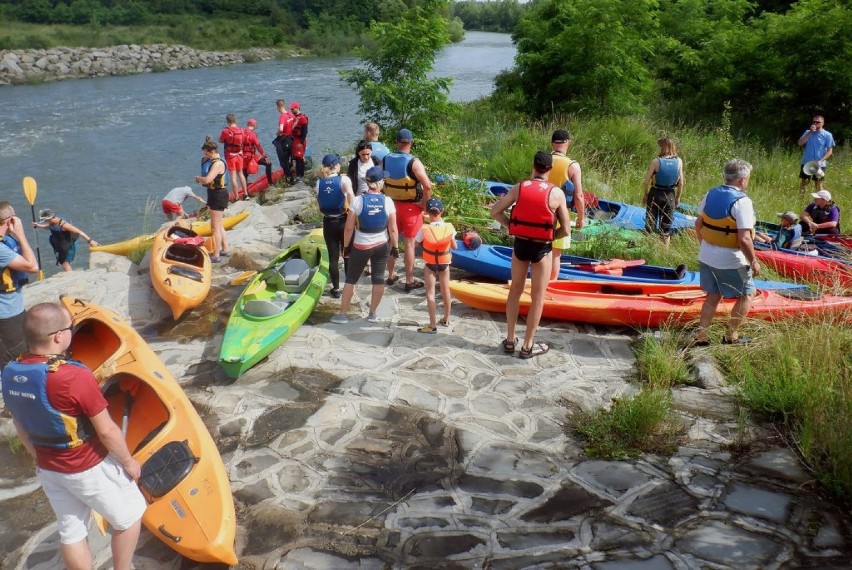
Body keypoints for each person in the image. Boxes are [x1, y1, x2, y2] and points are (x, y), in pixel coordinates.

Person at [1, 302, 146, 570]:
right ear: (58, 336)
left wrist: (39, 456)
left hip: (49, 468)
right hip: (87, 466)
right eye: (70, 328)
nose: (72, 332)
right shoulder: (72, 376)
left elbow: (20, 423)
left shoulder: (10, 372)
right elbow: (107, 430)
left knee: (72, 530)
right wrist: (128, 462)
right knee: (130, 515)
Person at [491, 151, 571, 358]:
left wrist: (512, 227)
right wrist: (551, 238)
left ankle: (510, 340)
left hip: (521, 245)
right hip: (542, 248)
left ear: (533, 166)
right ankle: (527, 346)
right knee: (537, 297)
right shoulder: (557, 194)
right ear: (550, 170)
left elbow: (495, 212)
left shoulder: (520, 187)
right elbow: (567, 229)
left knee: (515, 290)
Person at [693, 159, 760, 346]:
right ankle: (731, 335)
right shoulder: (743, 202)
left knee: (713, 295)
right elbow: (744, 239)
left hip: (706, 255)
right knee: (748, 293)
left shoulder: (710, 193)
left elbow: (698, 224)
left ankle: (702, 336)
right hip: (732, 259)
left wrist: (705, 244)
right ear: (743, 180)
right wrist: (753, 261)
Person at [330, 166, 398, 325]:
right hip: (381, 245)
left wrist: (346, 247)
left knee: (351, 279)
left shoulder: (358, 201)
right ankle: (373, 314)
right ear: (380, 182)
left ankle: (343, 315)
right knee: (378, 279)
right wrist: (394, 247)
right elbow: (393, 229)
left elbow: (348, 227)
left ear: (367, 182)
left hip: (361, 246)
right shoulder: (388, 201)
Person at [383, 128, 432, 292]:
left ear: (397, 142)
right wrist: (425, 205)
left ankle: (390, 275)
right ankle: (409, 280)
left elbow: (378, 178)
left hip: (391, 206)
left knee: (392, 241)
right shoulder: (414, 162)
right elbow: (427, 185)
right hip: (411, 208)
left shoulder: (385, 159)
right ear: (411, 143)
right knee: (409, 244)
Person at [0, 201, 38, 367]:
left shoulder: (7, 241)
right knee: (15, 358)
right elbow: (33, 267)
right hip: (6, 315)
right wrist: (21, 235)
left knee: (22, 352)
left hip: (14, 309)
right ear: (10, 220)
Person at [415, 198, 457, 334]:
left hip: (430, 264)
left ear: (427, 213)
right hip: (445, 263)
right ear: (442, 211)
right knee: (446, 291)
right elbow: (454, 246)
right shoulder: (449, 227)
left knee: (431, 293)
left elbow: (416, 243)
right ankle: (446, 318)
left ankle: (432, 325)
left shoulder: (424, 229)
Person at [547, 129, 584, 280]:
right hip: (560, 213)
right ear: (568, 143)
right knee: (555, 253)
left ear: (552, 144)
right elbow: (579, 195)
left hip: (540, 209)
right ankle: (551, 285)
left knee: (540, 249)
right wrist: (581, 217)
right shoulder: (573, 165)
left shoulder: (543, 159)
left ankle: (537, 283)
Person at [316, 154, 355, 298]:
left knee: (333, 258)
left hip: (328, 222)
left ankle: (336, 289)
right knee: (347, 255)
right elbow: (350, 194)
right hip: (343, 221)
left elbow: (319, 202)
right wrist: (353, 211)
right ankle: (350, 286)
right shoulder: (343, 179)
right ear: (336, 166)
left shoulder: (319, 182)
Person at [641, 136, 684, 243]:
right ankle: (665, 253)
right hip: (670, 195)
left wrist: (645, 195)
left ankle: (649, 250)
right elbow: (681, 183)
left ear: (662, 147)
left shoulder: (656, 161)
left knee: (650, 225)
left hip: (655, 194)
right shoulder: (679, 161)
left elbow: (646, 181)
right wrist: (678, 198)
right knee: (666, 228)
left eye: (659, 147)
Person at [194, 137, 228, 263]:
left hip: (218, 195)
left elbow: (208, 179)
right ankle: (225, 248)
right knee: (219, 225)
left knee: (215, 228)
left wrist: (198, 179)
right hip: (214, 194)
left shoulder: (218, 163)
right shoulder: (215, 159)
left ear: (212, 151)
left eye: (207, 153)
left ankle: (216, 255)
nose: (205, 156)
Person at [32, 210, 98, 272]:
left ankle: (71, 276)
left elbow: (79, 232)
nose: (44, 221)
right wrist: (39, 226)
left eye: (45, 220)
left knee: (64, 263)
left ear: (50, 218)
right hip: (62, 244)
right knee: (64, 262)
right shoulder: (52, 222)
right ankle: (71, 274)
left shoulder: (64, 225)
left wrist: (90, 241)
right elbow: (49, 227)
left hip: (70, 245)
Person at [797, 115, 835, 193]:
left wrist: (821, 161)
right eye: (814, 122)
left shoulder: (827, 135)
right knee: (804, 182)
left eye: (818, 122)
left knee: (818, 184)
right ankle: (801, 202)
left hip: (820, 164)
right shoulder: (808, 132)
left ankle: (821, 203)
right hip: (807, 162)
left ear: (822, 123)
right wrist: (810, 132)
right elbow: (800, 143)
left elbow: (829, 151)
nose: (815, 123)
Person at [218, 114, 247, 200]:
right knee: (241, 174)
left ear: (227, 121)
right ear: (235, 120)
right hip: (240, 154)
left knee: (233, 176)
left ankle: (237, 197)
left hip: (230, 155)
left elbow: (220, 140)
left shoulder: (226, 131)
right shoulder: (242, 130)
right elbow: (244, 140)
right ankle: (246, 194)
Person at [242, 118, 274, 188]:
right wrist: (265, 156)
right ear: (255, 126)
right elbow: (258, 147)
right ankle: (270, 183)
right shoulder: (253, 134)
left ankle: (245, 191)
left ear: (247, 124)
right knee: (268, 163)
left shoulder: (241, 132)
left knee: (244, 173)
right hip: (251, 156)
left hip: (243, 157)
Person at [273, 99, 295, 182]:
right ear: (284, 105)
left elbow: (281, 129)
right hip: (291, 138)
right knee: (290, 157)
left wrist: (277, 133)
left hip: (284, 139)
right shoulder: (290, 114)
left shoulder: (282, 116)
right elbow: (295, 122)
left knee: (283, 160)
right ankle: (292, 173)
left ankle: (288, 178)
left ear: (278, 106)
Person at [290, 102, 309, 181]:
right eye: (291, 109)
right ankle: (298, 175)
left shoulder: (302, 118)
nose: (291, 110)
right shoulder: (293, 117)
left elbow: (305, 131)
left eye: (293, 109)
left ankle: (300, 176)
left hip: (299, 140)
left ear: (297, 108)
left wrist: (301, 142)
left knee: (299, 158)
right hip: (294, 139)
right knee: (295, 157)